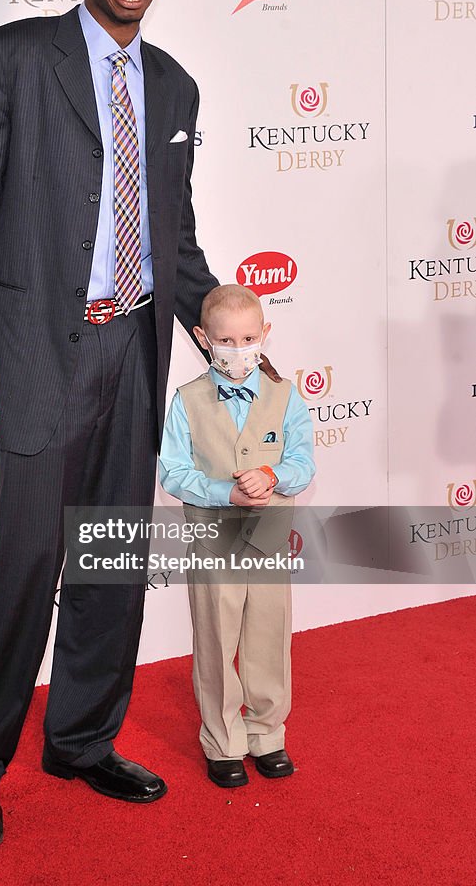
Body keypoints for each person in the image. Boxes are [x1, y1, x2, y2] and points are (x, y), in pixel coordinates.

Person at [0, 0, 281, 849]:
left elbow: (172, 237)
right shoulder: (12, 56)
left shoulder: (173, 85)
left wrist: (226, 333)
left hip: (134, 348)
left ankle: (82, 741)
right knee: (31, 562)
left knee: (112, 559)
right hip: (34, 349)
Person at [159, 284, 315, 788]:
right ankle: (223, 739)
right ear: (204, 339)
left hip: (269, 542)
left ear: (264, 333)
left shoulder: (286, 396)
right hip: (212, 543)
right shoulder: (186, 402)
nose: (238, 348)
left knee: (269, 639)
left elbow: (302, 462)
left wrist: (274, 477)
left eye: (248, 337)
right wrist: (223, 492)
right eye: (226, 339)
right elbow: (173, 472)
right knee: (216, 640)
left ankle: (267, 734)